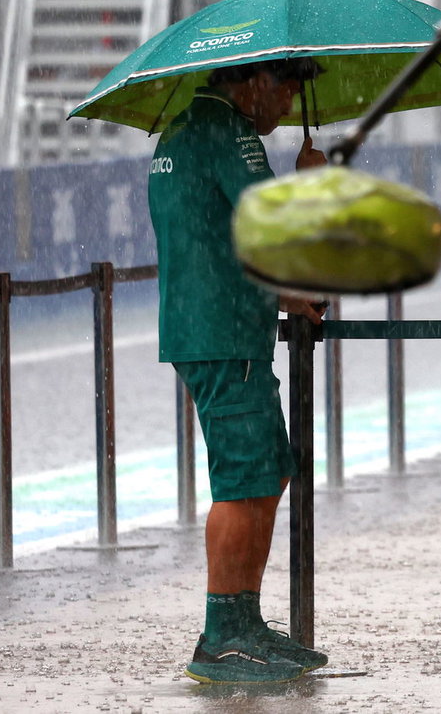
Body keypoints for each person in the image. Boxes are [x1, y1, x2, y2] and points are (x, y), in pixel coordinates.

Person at [148, 58, 329, 684]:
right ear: (250, 81)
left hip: (216, 323)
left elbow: (216, 245)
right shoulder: (229, 132)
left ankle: (244, 622)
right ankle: (222, 637)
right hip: (224, 335)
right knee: (243, 481)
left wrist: (283, 298)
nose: (285, 107)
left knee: (267, 470)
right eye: (285, 89)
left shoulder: (183, 129)